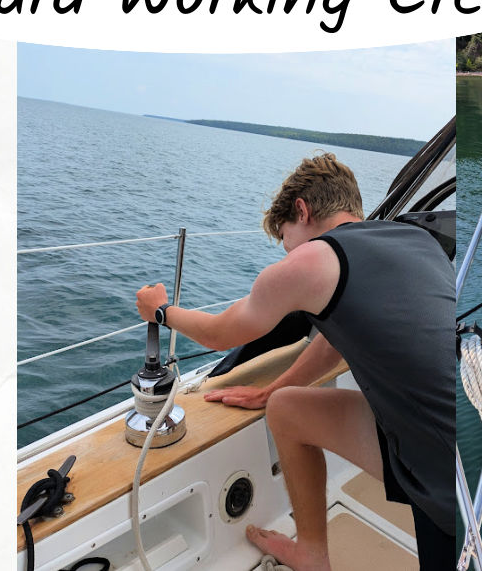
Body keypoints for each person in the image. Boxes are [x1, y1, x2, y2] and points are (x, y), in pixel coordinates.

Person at [135, 153, 455, 571]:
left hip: (448, 479)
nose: (288, 252)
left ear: (301, 210)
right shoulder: (417, 240)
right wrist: (273, 389)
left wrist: (161, 311)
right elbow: (340, 337)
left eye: (286, 237)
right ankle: (310, 553)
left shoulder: (316, 258)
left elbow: (218, 333)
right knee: (285, 408)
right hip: (458, 431)